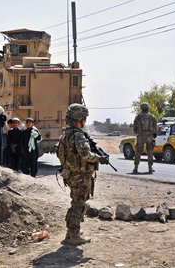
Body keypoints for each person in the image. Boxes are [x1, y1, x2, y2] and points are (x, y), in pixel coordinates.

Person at [57, 104, 107, 245]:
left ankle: (71, 232)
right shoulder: (78, 134)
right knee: (79, 204)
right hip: (80, 175)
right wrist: (99, 158)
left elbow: (61, 154)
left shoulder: (66, 133)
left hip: (71, 174)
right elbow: (85, 154)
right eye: (84, 118)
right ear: (79, 119)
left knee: (76, 203)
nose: (84, 121)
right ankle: (74, 234)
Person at [133, 102, 158, 173]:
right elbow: (155, 126)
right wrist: (155, 133)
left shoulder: (138, 117)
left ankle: (135, 168)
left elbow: (134, 127)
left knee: (138, 151)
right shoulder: (152, 116)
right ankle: (150, 168)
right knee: (150, 151)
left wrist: (137, 132)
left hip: (141, 135)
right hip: (149, 135)